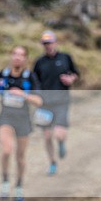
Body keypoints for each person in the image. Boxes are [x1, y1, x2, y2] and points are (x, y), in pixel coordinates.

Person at [0, 46, 43, 201]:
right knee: (6, 150)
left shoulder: (30, 77)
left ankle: (19, 185)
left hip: (23, 120)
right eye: (15, 54)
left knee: (20, 157)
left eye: (21, 55)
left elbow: (39, 101)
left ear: (25, 59)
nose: (17, 58)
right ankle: (4, 182)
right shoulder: (2, 75)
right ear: (11, 56)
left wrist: (23, 95)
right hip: (5, 118)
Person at [32, 30, 79, 176]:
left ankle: (61, 143)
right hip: (45, 104)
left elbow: (76, 73)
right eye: (45, 44)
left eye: (50, 43)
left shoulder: (65, 58)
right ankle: (52, 163)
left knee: (58, 134)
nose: (48, 46)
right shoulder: (39, 62)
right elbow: (34, 81)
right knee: (47, 136)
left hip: (61, 102)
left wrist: (71, 79)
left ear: (55, 43)